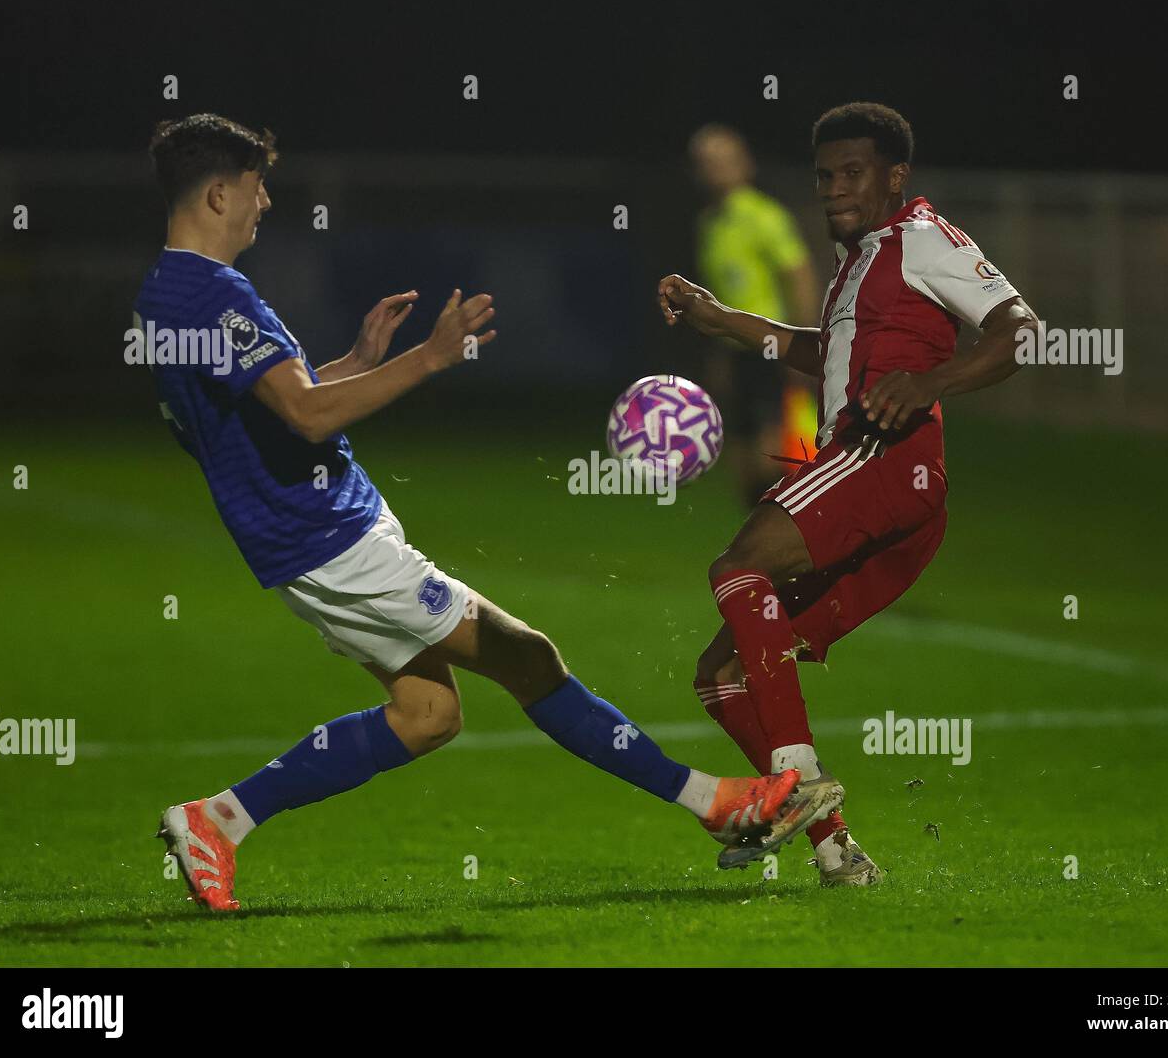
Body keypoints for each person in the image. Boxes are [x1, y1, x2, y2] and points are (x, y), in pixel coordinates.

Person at [137, 113, 836, 911]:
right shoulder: (215, 293)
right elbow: (303, 417)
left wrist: (356, 365)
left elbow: (242, 418)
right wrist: (428, 357)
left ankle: (215, 821)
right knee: (527, 655)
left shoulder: (165, 294)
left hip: (304, 543)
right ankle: (720, 803)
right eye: (258, 187)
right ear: (220, 192)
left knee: (427, 714)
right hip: (330, 539)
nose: (265, 202)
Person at [658, 102, 1039, 885]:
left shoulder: (923, 239)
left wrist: (932, 380)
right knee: (721, 674)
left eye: (854, 173)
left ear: (896, 177)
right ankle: (838, 854)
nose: (834, 189)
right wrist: (726, 320)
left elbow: (1020, 329)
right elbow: (824, 352)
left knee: (737, 568)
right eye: (826, 175)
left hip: (887, 461)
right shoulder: (862, 261)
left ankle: (794, 777)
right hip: (890, 493)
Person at [688, 125, 821, 504]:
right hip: (736, 350)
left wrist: (802, 343)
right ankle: (756, 552)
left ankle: (791, 539)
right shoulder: (710, 222)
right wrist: (718, 353)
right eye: (706, 162)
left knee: (773, 454)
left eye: (723, 160)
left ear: (744, 164)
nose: (715, 169)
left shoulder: (764, 216)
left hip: (770, 345)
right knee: (742, 458)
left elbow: (799, 275)